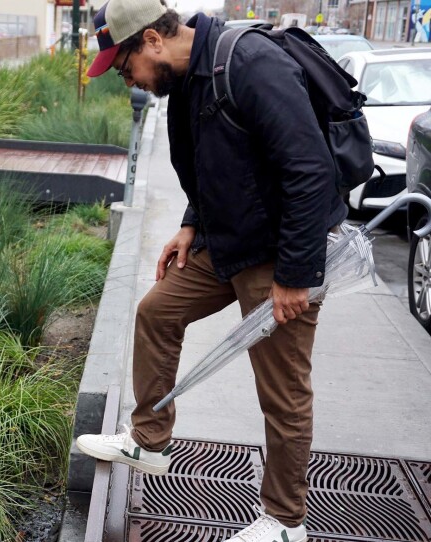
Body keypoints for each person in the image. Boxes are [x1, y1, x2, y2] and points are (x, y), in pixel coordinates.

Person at [74, 1, 347, 541]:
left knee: (282, 390)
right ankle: (148, 442)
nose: (126, 80)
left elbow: (310, 170)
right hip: (226, 244)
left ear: (152, 40)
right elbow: (208, 163)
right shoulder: (185, 81)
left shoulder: (249, 64)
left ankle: (286, 522)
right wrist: (191, 224)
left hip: (277, 254)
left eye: (125, 68)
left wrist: (295, 274)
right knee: (157, 312)